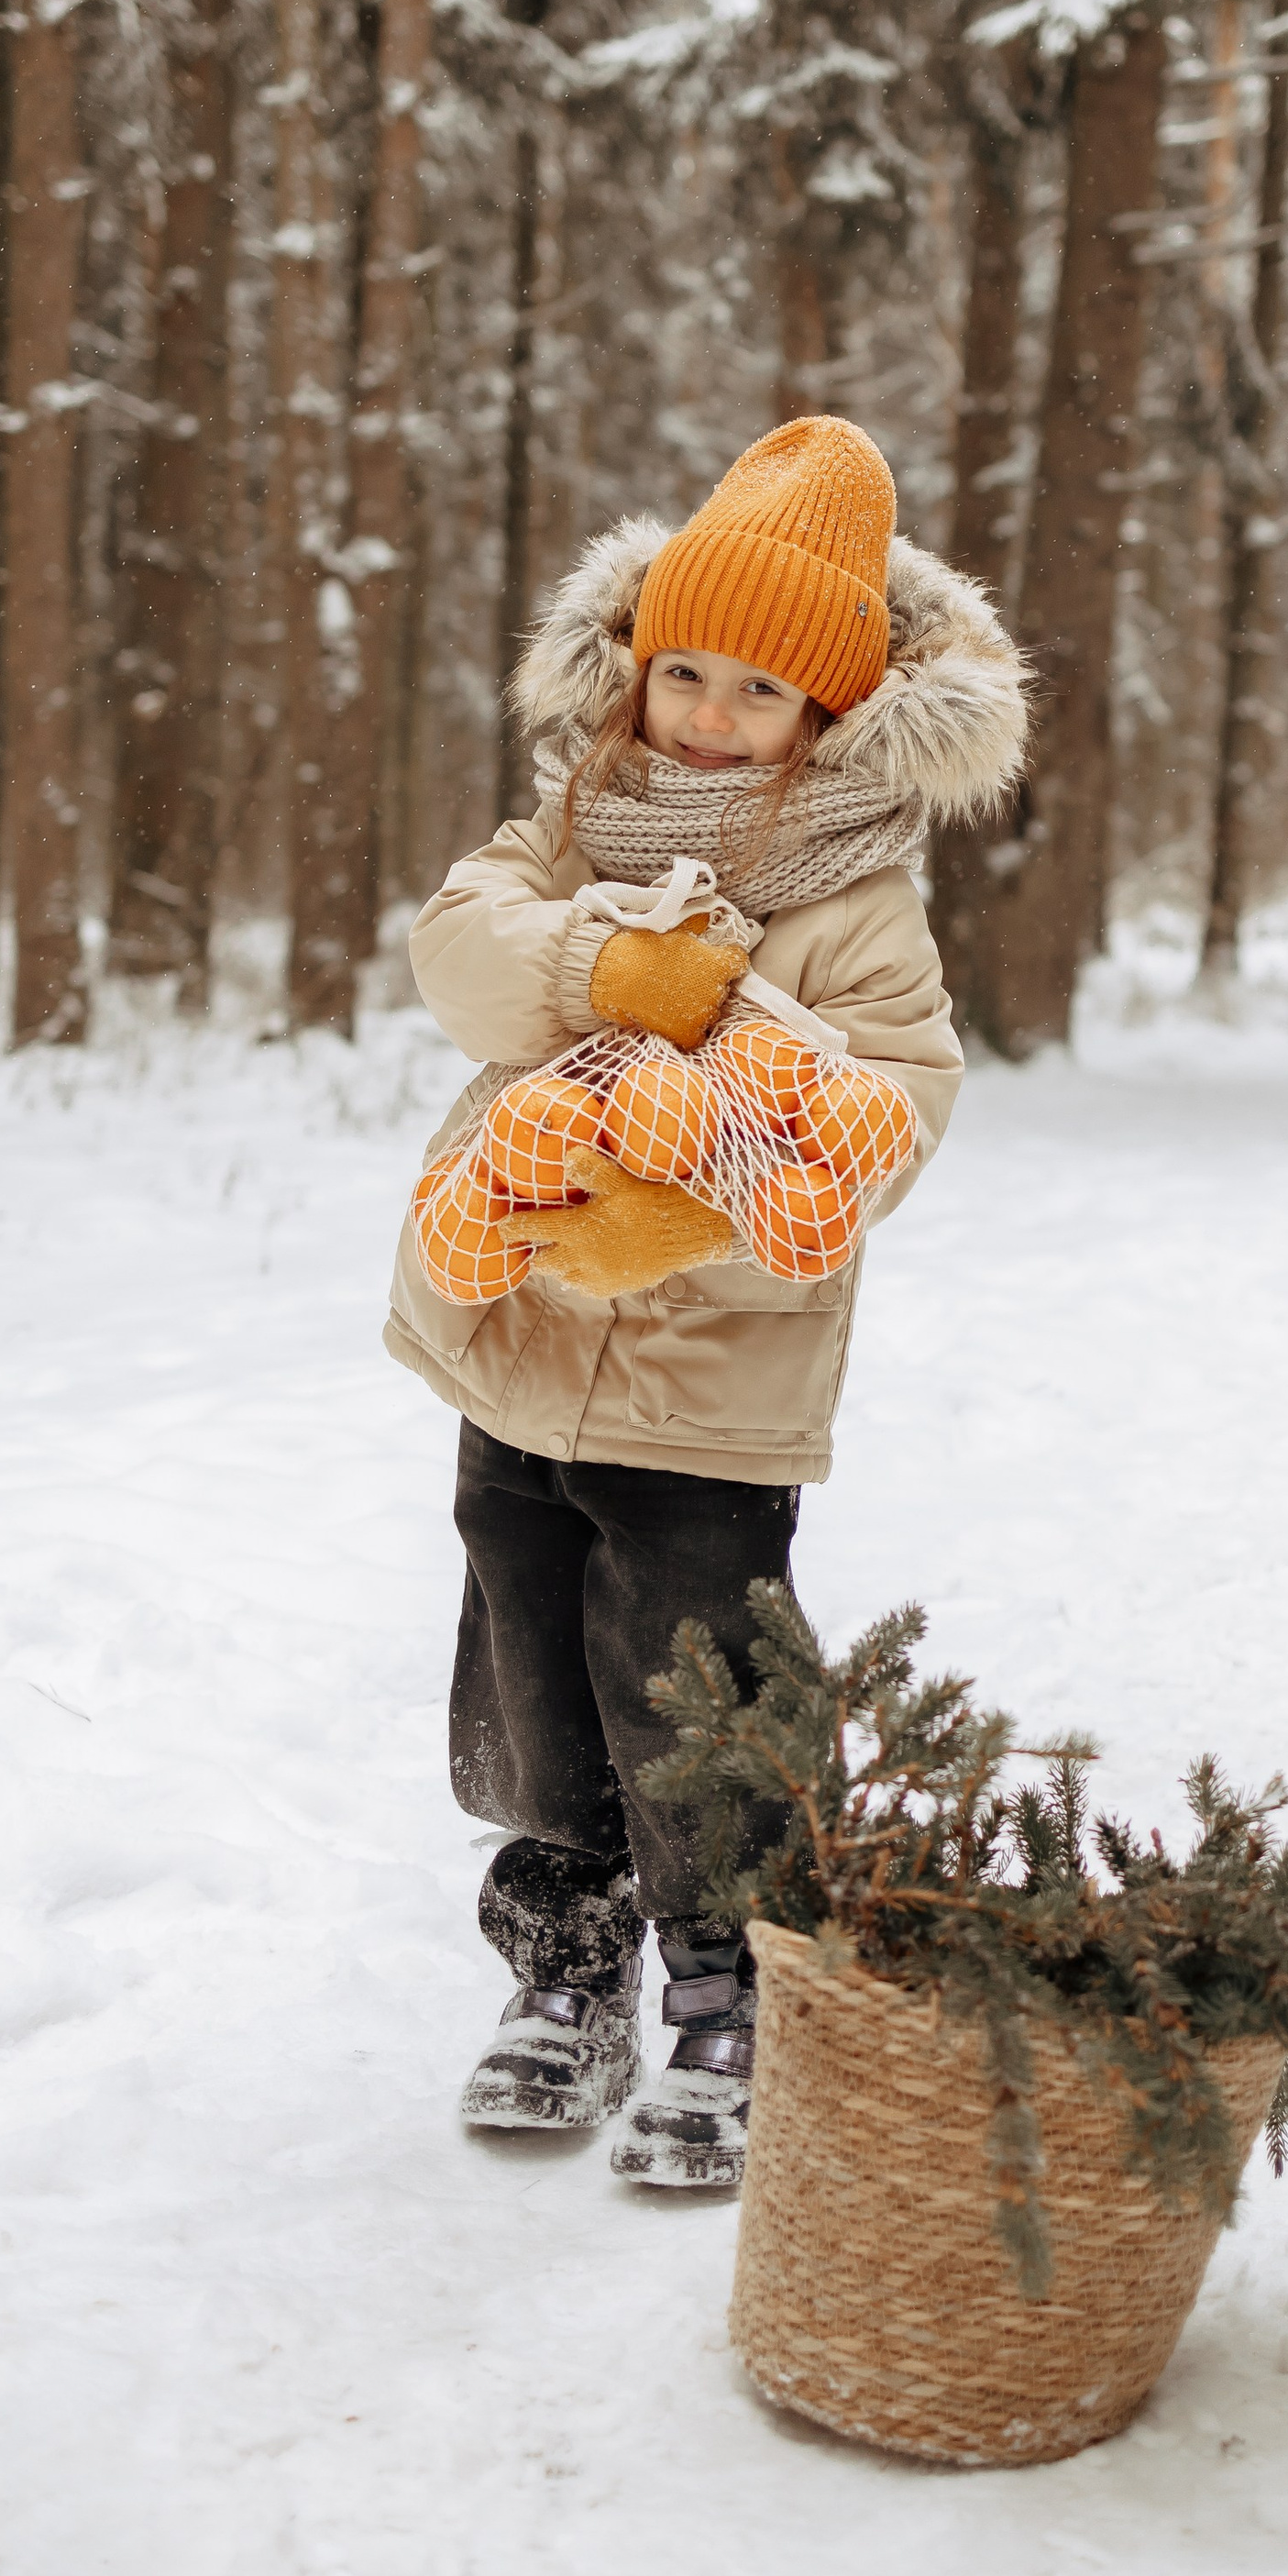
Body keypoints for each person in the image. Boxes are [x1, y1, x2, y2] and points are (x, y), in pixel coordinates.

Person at [386, 416, 1026, 2190]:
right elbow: (458, 944)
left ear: (829, 713)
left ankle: (730, 1992)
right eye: (684, 670)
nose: (711, 713)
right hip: (516, 1341)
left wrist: (686, 1218)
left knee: (700, 1674)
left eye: (760, 687)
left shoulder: (854, 894)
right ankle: (564, 1966)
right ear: (638, 666)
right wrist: (603, 960)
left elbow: (891, 1117)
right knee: (529, 1647)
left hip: (711, 1371)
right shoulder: (573, 817)